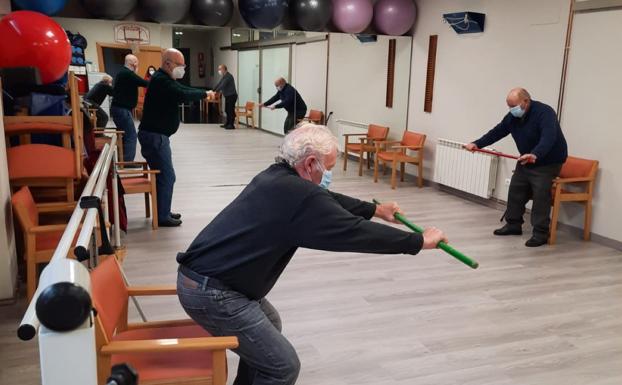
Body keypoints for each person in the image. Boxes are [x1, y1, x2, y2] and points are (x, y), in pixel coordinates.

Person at [176, 124, 448, 385]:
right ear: (309, 164)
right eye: (328, 168)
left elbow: (327, 201)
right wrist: (418, 241)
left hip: (207, 280)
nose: (328, 174)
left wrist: (376, 210)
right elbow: (354, 232)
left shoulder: (278, 177)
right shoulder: (298, 194)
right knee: (283, 366)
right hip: (212, 293)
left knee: (271, 325)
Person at [465, 87, 568, 247]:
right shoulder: (513, 116)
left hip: (547, 162)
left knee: (541, 194)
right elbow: (497, 131)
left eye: (513, 106)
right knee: (516, 189)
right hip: (526, 158)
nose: (511, 110)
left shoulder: (544, 113)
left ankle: (541, 233)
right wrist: (477, 143)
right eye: (509, 106)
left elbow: (549, 137)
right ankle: (513, 225)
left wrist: (536, 154)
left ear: (525, 101)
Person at [138, 48, 209, 227]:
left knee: (165, 176)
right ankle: (162, 216)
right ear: (168, 63)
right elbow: (181, 93)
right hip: (155, 137)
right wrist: (204, 94)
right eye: (180, 65)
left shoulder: (165, 79)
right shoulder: (161, 80)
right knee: (167, 176)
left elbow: (181, 88)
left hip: (156, 136)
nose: (182, 68)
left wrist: (202, 92)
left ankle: (164, 211)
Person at [111, 54, 148, 161]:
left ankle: (123, 160)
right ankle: (127, 162)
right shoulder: (127, 74)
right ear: (134, 64)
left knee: (125, 135)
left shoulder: (123, 73)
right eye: (137, 63)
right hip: (122, 110)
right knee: (131, 136)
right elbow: (144, 83)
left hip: (119, 109)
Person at [208, 64, 238, 130]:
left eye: (220, 69)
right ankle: (227, 123)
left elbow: (222, 86)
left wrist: (215, 92)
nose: (219, 71)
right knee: (227, 110)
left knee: (230, 110)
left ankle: (231, 125)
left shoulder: (229, 76)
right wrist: (212, 90)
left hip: (232, 96)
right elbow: (219, 84)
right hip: (228, 96)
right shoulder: (224, 76)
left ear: (224, 69)